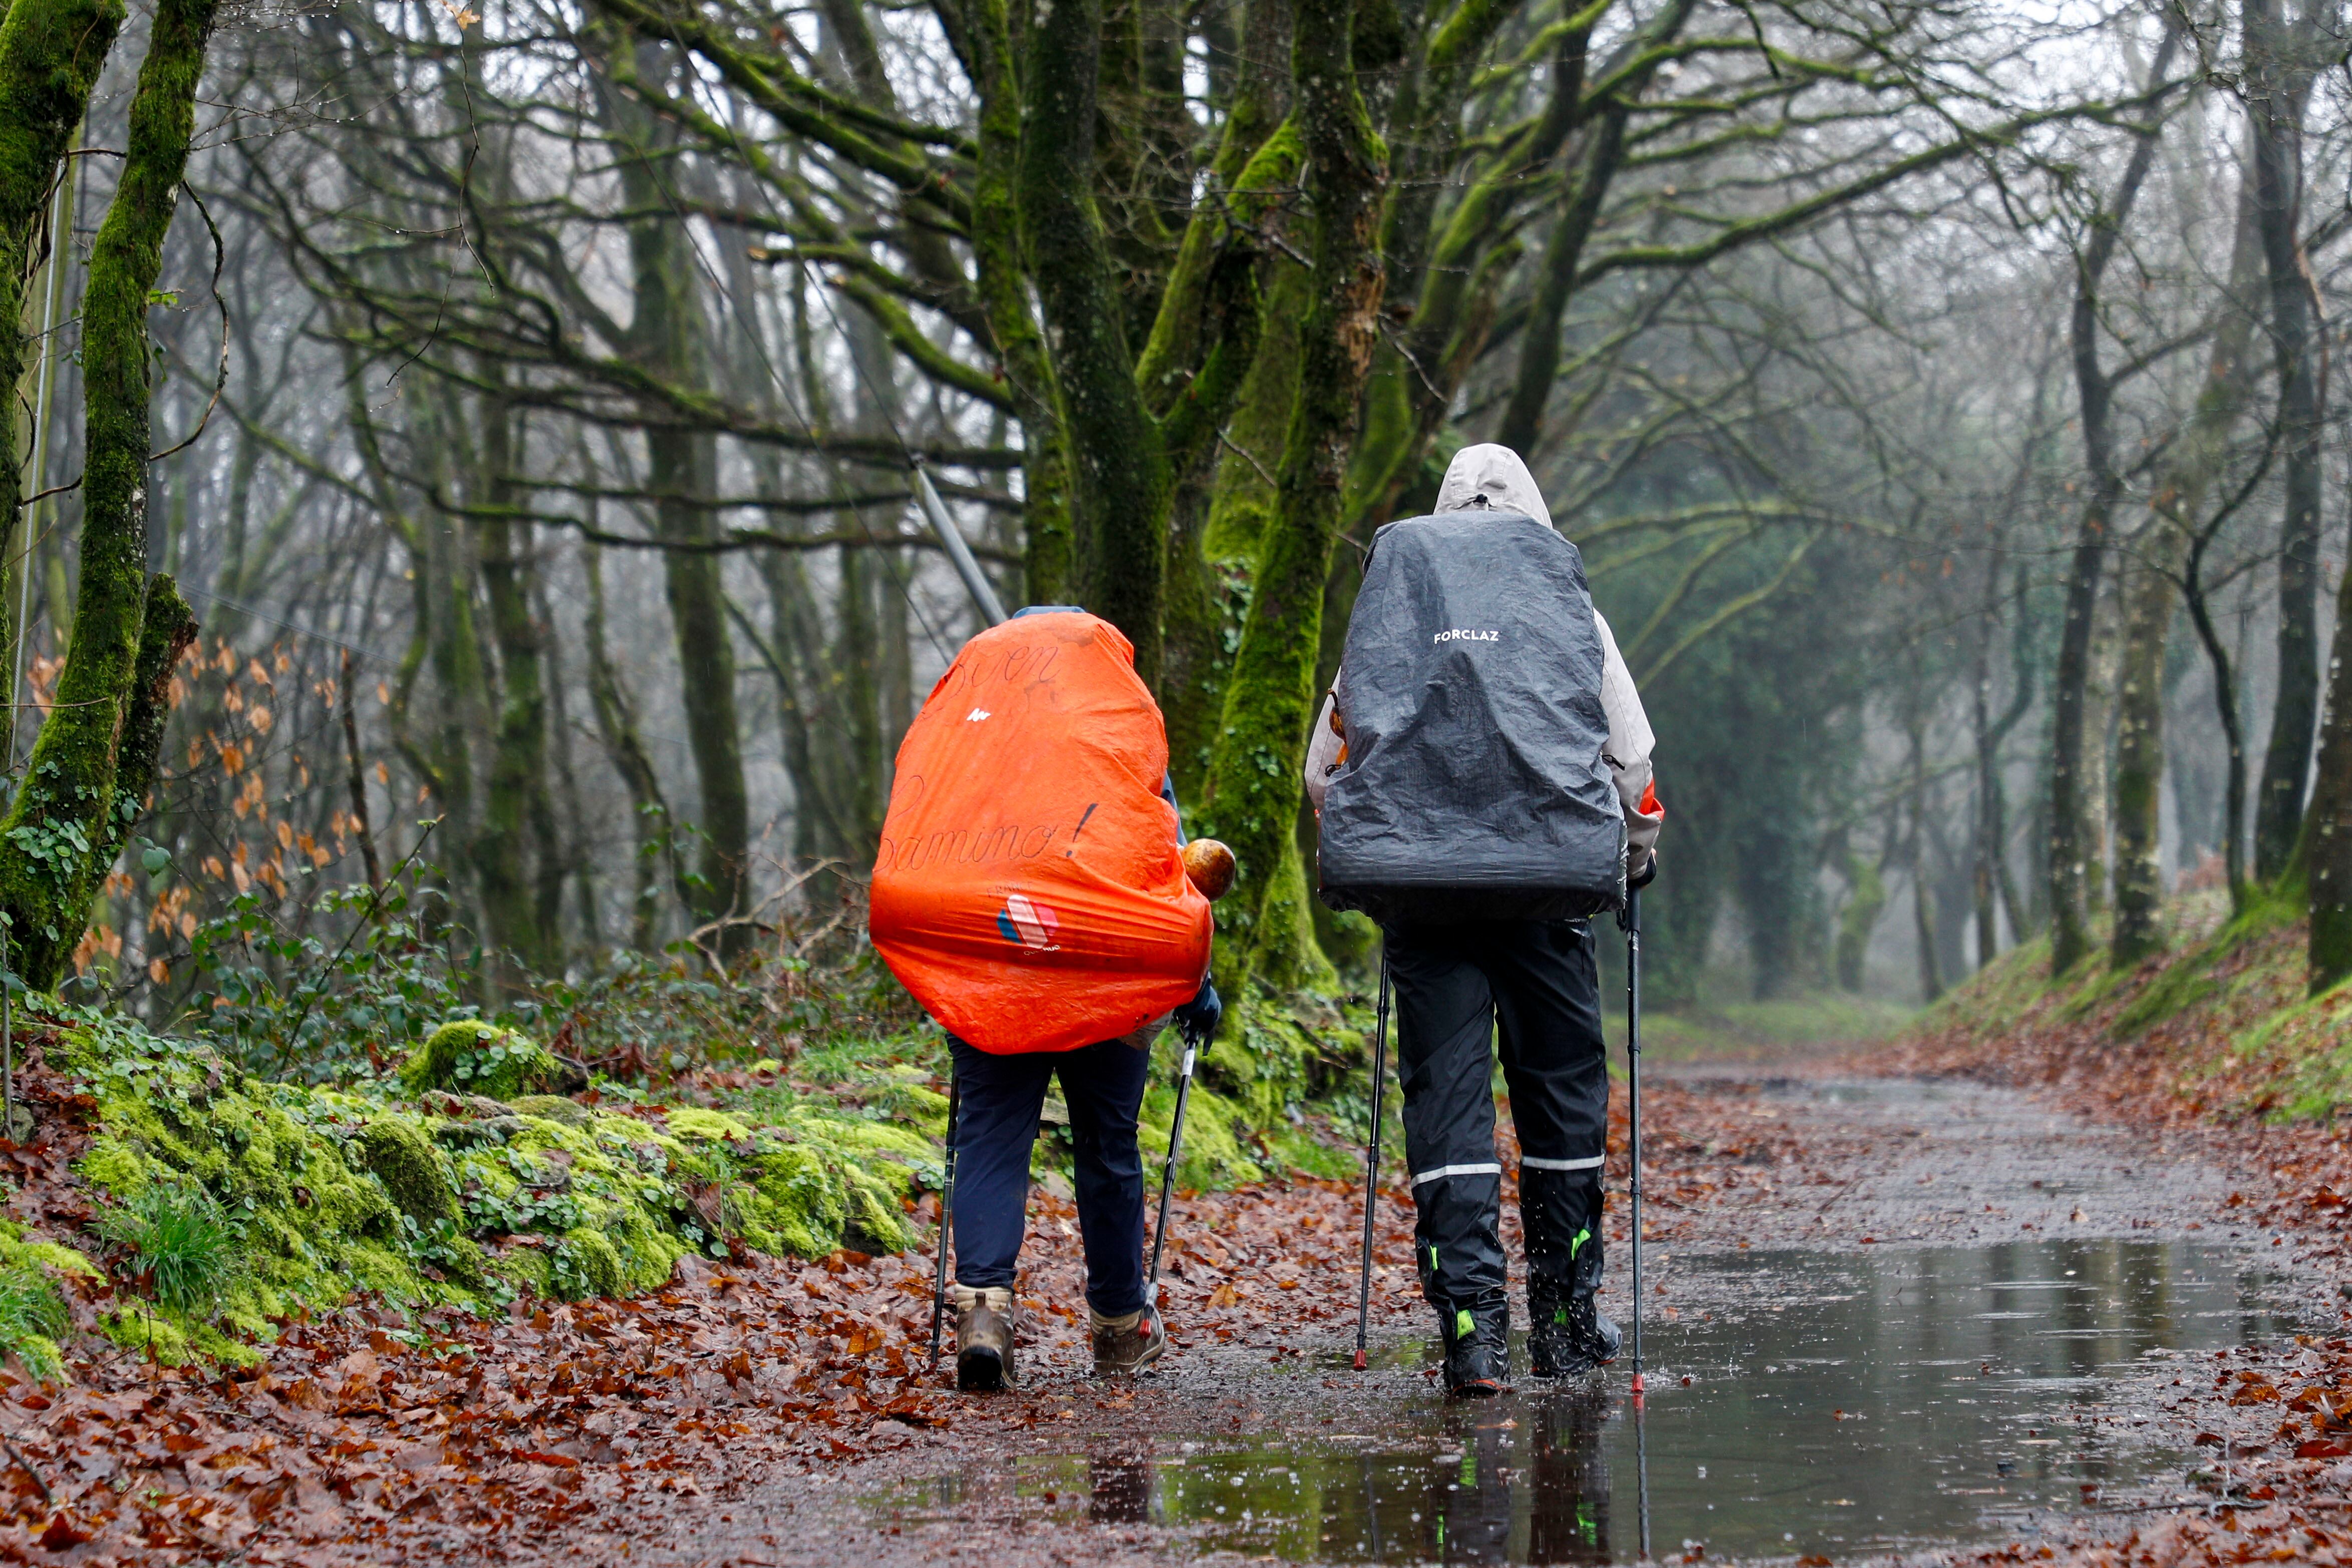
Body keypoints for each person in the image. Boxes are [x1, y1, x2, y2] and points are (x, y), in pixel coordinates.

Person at [1305, 444, 1663, 1396]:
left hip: (1423, 900)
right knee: (1561, 1093)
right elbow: (1629, 767)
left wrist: (1385, 855)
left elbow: (1321, 772)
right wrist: (1632, 859)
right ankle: (1565, 1318)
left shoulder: (1393, 614)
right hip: (1546, 888)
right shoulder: (1569, 609)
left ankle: (1471, 1331)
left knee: (1449, 1103)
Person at [935, 607, 1224, 1393]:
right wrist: (1195, 981)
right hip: (1106, 982)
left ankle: (985, 1314)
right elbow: (1161, 861)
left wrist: (941, 962)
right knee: (1107, 1145)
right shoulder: (1122, 733)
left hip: (994, 968)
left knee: (992, 1134)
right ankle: (1120, 1329)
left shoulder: (968, 738)